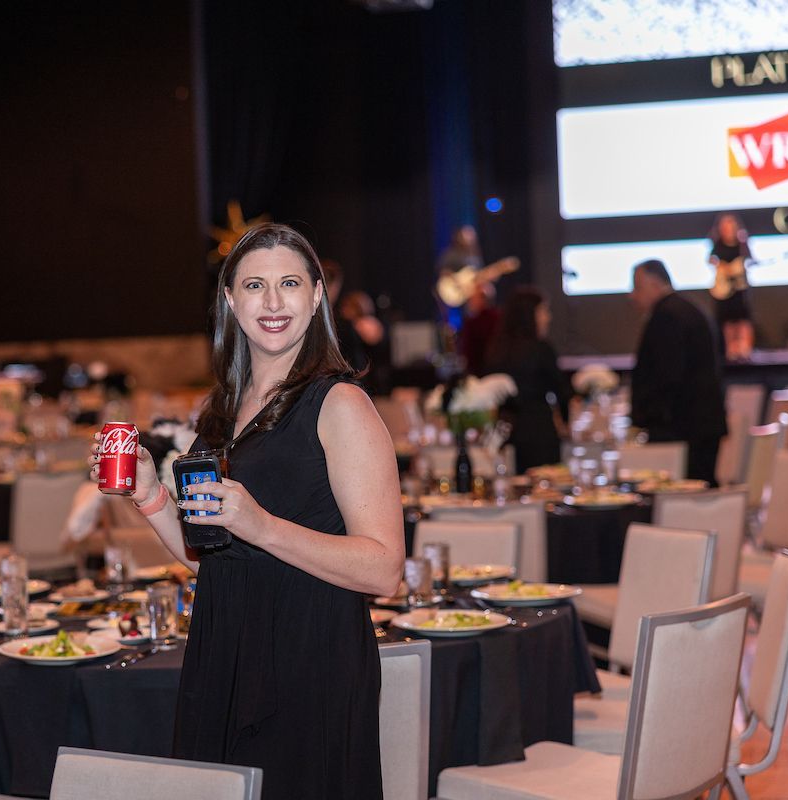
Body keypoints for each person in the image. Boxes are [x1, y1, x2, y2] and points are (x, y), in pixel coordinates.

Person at [92, 224, 404, 799]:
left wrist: (260, 525)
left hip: (310, 662)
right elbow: (216, 561)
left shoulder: (340, 403)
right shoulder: (222, 411)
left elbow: (384, 569)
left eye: (290, 283)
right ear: (232, 301)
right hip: (223, 649)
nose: (274, 301)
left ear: (316, 296)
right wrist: (149, 495)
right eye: (255, 285)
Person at [629, 260, 727, 485]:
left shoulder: (667, 316)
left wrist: (648, 417)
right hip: (699, 424)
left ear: (655, 285)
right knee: (699, 489)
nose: (632, 296)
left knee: (683, 496)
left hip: (682, 428)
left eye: (638, 288)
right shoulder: (687, 308)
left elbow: (667, 374)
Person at [485, 287, 569, 471]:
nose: (548, 317)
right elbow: (561, 391)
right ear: (530, 314)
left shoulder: (496, 349)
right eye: (543, 311)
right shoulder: (540, 349)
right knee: (545, 486)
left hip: (504, 430)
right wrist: (565, 421)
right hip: (538, 430)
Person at [707, 212, 755, 361]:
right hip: (724, 290)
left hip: (740, 289)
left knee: (742, 320)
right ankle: (731, 351)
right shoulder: (717, 244)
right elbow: (711, 260)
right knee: (727, 322)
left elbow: (750, 260)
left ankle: (745, 350)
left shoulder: (742, 244)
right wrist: (724, 268)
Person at [458, 281, 500, 376]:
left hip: (479, 373)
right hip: (498, 371)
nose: (469, 302)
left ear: (482, 299)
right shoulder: (501, 317)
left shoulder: (472, 323)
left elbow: (468, 352)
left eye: (472, 299)